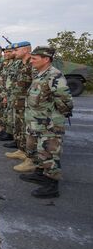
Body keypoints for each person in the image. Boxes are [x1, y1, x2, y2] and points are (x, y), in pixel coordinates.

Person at [18, 46, 73, 198]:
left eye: (35, 59)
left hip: (49, 125)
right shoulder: (40, 74)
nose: (32, 61)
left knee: (49, 153)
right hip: (35, 122)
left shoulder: (54, 76)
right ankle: (40, 173)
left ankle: (51, 185)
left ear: (46, 59)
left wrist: (54, 119)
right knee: (37, 151)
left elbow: (65, 102)